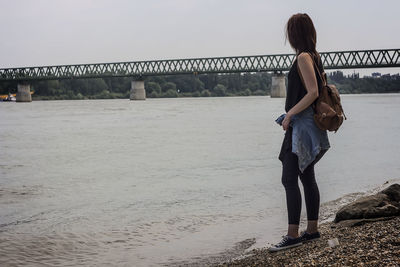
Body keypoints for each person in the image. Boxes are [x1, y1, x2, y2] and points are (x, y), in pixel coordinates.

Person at [268, 13, 330, 252]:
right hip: (309, 127)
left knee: (289, 178)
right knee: (307, 177)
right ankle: (312, 230)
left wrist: (290, 114)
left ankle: (293, 235)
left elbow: (313, 92)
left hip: (301, 128)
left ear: (294, 34)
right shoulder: (313, 56)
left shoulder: (303, 57)